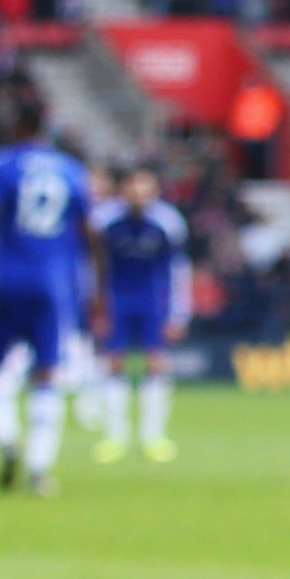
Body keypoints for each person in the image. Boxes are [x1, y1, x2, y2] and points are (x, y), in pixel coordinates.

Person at [0, 92, 96, 497]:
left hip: (6, 277)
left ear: (15, 127)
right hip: (54, 281)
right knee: (47, 372)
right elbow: (90, 231)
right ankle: (40, 470)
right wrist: (95, 287)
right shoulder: (71, 169)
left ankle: (7, 439)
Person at [89, 164, 190, 462]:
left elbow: (178, 270)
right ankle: (115, 436)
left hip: (152, 300)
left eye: (144, 185)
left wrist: (179, 313)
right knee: (113, 363)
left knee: (156, 363)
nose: (138, 191)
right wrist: (95, 304)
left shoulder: (168, 222)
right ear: (123, 188)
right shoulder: (104, 220)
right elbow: (93, 266)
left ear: (154, 188)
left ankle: (154, 436)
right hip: (115, 299)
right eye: (133, 184)